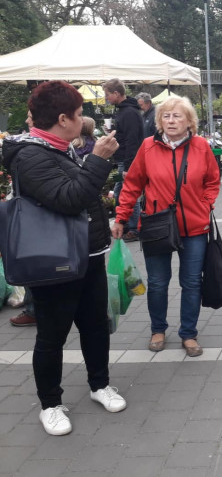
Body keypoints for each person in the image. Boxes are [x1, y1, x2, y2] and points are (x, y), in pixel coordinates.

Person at [2, 80, 125, 435]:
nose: (82, 119)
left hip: (88, 253)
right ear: (62, 119)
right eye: (79, 113)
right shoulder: (30, 155)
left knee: (95, 325)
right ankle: (50, 405)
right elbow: (69, 198)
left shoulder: (59, 147)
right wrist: (98, 160)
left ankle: (100, 384)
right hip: (54, 260)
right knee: (52, 335)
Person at [113, 96, 220, 358]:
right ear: (160, 121)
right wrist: (121, 217)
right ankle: (158, 330)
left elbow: (212, 180)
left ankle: (188, 333)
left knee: (192, 282)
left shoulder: (201, 146)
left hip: (194, 226)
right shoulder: (148, 147)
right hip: (157, 225)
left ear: (189, 121)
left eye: (177, 116)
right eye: (166, 116)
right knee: (158, 283)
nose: (171, 121)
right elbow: (132, 185)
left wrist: (205, 204)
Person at [103, 79, 144, 242]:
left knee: (128, 193)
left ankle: (135, 228)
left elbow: (132, 140)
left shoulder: (128, 112)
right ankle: (128, 224)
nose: (106, 98)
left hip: (127, 160)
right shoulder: (125, 110)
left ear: (116, 93)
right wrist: (113, 131)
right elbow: (126, 134)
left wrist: (128, 165)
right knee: (121, 192)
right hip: (124, 158)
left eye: (107, 94)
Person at [9, 110, 37, 328]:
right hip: (31, 217)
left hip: (32, 219)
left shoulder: (31, 150)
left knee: (33, 265)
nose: (27, 120)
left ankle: (34, 310)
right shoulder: (29, 148)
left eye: (30, 116)